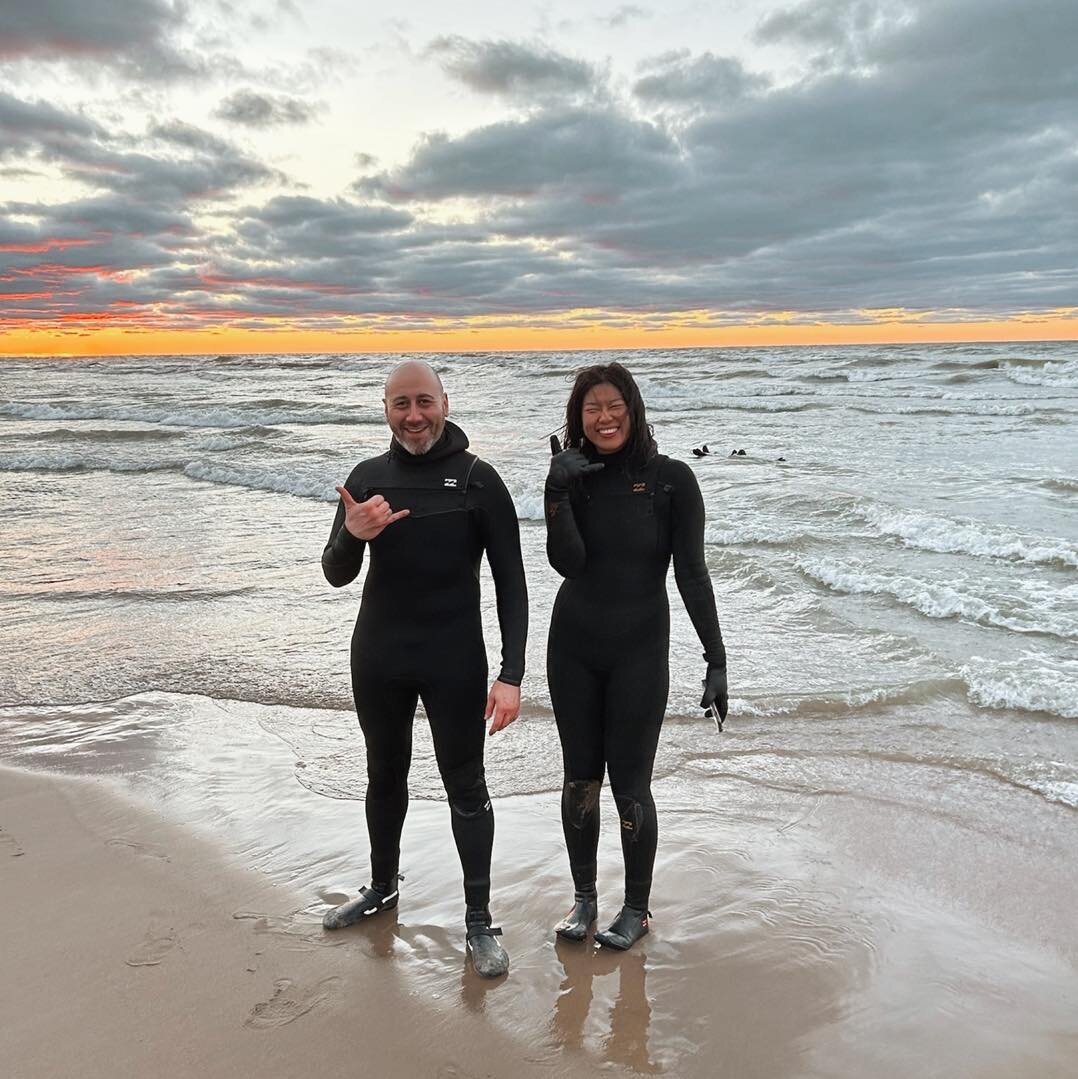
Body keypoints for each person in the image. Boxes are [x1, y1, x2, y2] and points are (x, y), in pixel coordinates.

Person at [320, 360, 527, 978]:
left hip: (454, 658)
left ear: (444, 402)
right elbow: (336, 573)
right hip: (379, 654)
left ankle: (478, 921)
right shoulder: (366, 479)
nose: (413, 416)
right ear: (385, 408)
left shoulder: (478, 480)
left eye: (424, 402)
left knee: (466, 786)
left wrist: (511, 675)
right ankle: (382, 887)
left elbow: (512, 586)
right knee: (384, 775)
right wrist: (352, 534)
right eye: (400, 404)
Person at [544, 362, 728, 950]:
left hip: (639, 651)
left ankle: (637, 909)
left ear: (633, 409)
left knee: (630, 786)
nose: (604, 418)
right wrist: (556, 489)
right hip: (572, 645)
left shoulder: (672, 480)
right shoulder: (572, 477)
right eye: (591, 408)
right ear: (578, 416)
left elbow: (692, 574)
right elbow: (568, 564)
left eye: (614, 406)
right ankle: (584, 900)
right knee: (579, 782)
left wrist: (715, 657)